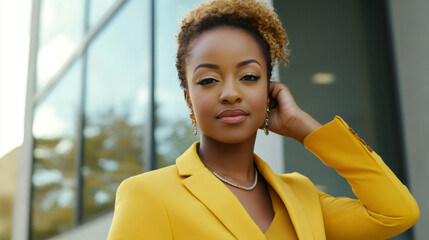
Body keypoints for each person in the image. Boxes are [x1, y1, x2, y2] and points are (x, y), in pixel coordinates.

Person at [107, 0, 419, 239]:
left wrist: (303, 127)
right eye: (208, 80)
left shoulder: (301, 194)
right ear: (189, 98)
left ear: (268, 89)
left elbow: (396, 213)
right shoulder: (148, 194)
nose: (230, 93)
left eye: (248, 76)